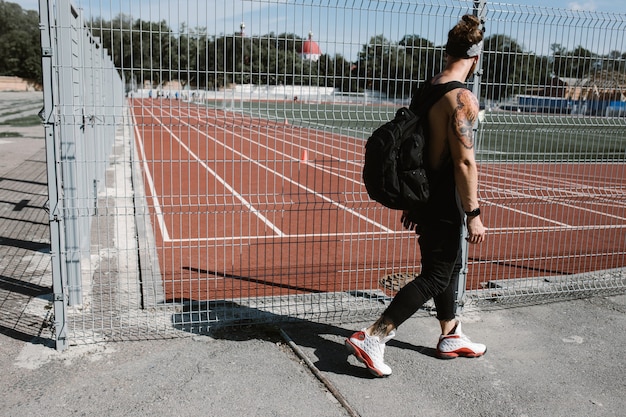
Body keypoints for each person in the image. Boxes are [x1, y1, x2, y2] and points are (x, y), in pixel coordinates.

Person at [345, 14, 487, 377]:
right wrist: (474, 213)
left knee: (447, 267)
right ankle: (374, 336)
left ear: (448, 51)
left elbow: (417, 148)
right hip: (443, 198)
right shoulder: (460, 97)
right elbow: (465, 163)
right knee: (437, 275)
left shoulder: (429, 87)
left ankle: (451, 334)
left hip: (423, 193)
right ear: (475, 58)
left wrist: (413, 202)